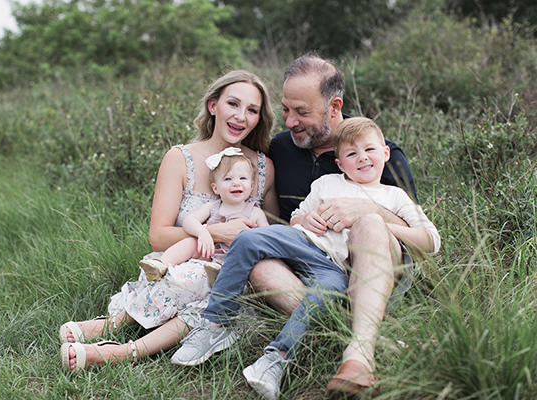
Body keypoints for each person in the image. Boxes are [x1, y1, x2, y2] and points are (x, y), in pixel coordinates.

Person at [171, 117, 440, 400]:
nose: (362, 158)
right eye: (351, 153)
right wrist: (306, 218)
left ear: (386, 152)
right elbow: (297, 216)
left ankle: (276, 359)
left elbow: (432, 241)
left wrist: (377, 221)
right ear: (339, 163)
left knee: (327, 291)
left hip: (334, 266)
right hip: (303, 241)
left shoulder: (394, 196)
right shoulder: (326, 183)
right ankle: (215, 323)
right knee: (248, 238)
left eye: (369, 150)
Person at [58, 70, 278, 372]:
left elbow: (274, 234)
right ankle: (115, 325)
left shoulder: (264, 168)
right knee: (194, 279)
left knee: (216, 292)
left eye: (252, 110)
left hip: (232, 273)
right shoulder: (180, 159)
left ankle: (121, 349)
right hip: (180, 265)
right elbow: (158, 236)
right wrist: (217, 232)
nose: (241, 116)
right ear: (213, 106)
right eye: (233, 104)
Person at [138, 148, 269, 284]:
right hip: (208, 254)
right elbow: (189, 220)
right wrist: (202, 232)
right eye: (228, 179)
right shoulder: (212, 207)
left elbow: (268, 238)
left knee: (243, 258)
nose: (236, 183)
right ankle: (161, 265)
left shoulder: (254, 212)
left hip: (235, 259)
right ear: (215, 188)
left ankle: (220, 276)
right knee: (190, 242)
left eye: (243, 178)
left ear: (251, 185)